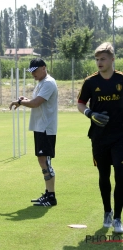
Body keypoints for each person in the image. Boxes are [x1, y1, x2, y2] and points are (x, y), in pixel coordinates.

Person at [77, 42, 123, 233]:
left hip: (121, 136)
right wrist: (90, 114)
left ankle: (118, 218)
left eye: (103, 59)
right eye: (96, 59)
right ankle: (107, 212)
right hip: (99, 137)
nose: (99, 62)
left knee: (120, 177)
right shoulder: (90, 82)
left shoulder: (122, 79)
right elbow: (80, 104)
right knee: (104, 176)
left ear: (112, 59)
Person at [9, 58, 58, 206]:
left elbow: (36, 103)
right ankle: (48, 194)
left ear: (44, 68)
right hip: (40, 127)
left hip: (46, 128)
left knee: (45, 161)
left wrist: (20, 102)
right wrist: (25, 99)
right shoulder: (41, 83)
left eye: (35, 71)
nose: (33, 74)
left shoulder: (49, 82)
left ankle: (51, 197)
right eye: (31, 72)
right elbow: (35, 100)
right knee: (42, 160)